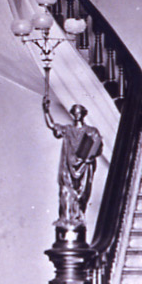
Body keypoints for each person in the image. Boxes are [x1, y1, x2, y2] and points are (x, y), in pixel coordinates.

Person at [42, 88, 103, 231]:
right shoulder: (67, 129)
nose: (76, 115)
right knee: (65, 192)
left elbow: (97, 148)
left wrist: (89, 158)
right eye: (74, 112)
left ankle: (78, 218)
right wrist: (46, 111)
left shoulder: (91, 131)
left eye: (78, 112)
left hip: (84, 167)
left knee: (82, 194)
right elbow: (52, 125)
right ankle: (66, 218)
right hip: (68, 166)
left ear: (83, 114)